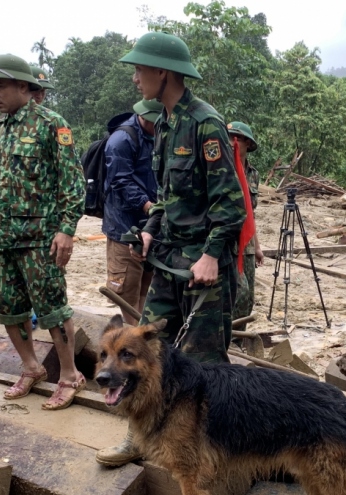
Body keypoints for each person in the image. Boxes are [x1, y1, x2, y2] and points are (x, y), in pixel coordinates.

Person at [122, 32, 245, 364]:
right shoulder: (165, 123)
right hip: (170, 259)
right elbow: (166, 196)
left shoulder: (205, 123)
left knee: (203, 366)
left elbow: (231, 203)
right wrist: (149, 231)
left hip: (203, 265)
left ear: (162, 71)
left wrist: (211, 255)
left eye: (139, 70)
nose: (135, 79)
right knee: (147, 350)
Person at [0, 54, 86, 410]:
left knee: (53, 310)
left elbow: (72, 183)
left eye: (0, 86)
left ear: (23, 86)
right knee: (9, 308)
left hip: (41, 239)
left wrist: (66, 230)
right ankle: (31, 367)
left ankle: (69, 375)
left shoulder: (51, 124)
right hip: (6, 239)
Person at [103, 98, 163, 323]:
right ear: (144, 116)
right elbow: (120, 180)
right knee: (128, 291)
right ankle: (133, 335)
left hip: (151, 225)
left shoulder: (158, 136)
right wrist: (148, 206)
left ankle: (142, 333)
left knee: (148, 286)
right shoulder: (122, 140)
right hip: (124, 226)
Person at [228, 121, 264, 332]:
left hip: (247, 243)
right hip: (228, 241)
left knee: (248, 297)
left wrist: (257, 246)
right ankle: (230, 339)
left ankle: (239, 339)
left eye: (237, 138)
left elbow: (251, 214)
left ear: (248, 143)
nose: (232, 142)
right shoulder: (223, 169)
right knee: (238, 293)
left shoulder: (253, 174)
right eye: (228, 137)